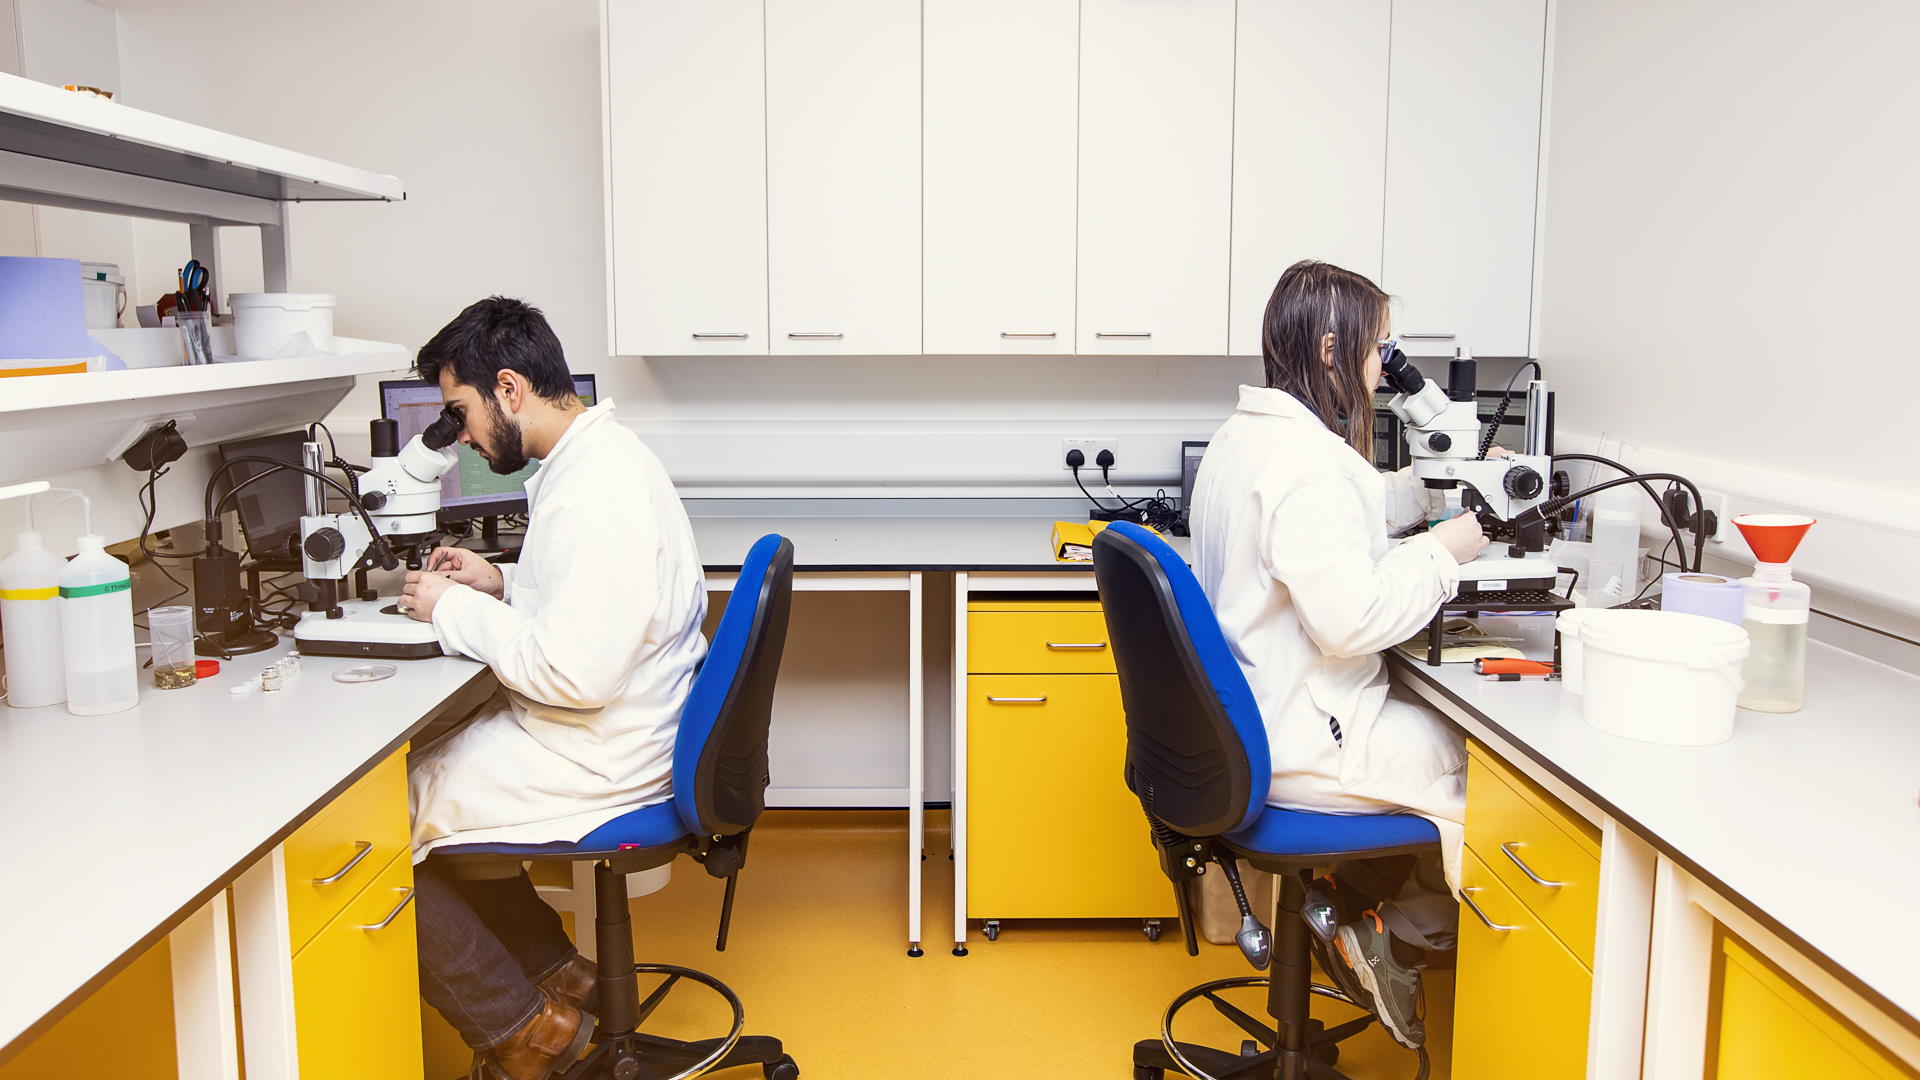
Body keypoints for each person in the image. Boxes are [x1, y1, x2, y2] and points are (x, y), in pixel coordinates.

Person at [397, 297, 708, 1080]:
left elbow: (575, 671)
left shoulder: (594, 489)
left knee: (370, 824)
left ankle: (524, 1030)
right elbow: (586, 607)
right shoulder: (594, 459)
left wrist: (456, 609)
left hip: (603, 747)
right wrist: (499, 583)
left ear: (508, 389)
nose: (460, 436)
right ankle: (554, 975)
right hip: (616, 722)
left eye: (459, 412)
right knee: (428, 770)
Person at [1189, 260, 1491, 1050]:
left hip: (1247, 726)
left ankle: (1349, 915)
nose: (1380, 368)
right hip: (1305, 741)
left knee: (1443, 746)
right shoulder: (1309, 467)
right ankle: (1387, 929)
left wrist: (1418, 500)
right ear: (1331, 349)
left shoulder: (1245, 439)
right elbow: (1351, 623)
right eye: (1376, 349)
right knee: (1497, 780)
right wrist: (1445, 553)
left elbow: (1339, 510)